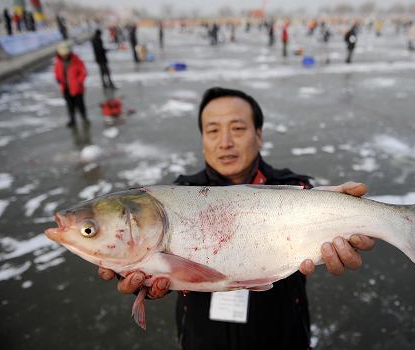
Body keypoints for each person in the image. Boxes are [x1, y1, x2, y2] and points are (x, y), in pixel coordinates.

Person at [98, 87, 375, 349]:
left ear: (259, 133)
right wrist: (146, 278)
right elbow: (164, 259)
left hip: (282, 337)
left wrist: (341, 216)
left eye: (238, 128)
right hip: (202, 340)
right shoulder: (176, 196)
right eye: (213, 130)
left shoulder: (296, 189)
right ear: (203, 139)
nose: (225, 142)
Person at [53, 42, 89, 127]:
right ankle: (72, 120)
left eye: (65, 54)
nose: (64, 56)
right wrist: (58, 79)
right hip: (65, 88)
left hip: (77, 88)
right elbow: (57, 72)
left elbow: (83, 72)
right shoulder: (58, 62)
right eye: (63, 54)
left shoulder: (76, 60)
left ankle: (84, 118)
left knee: (80, 105)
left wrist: (79, 82)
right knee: (70, 105)